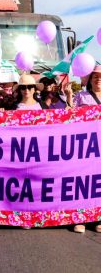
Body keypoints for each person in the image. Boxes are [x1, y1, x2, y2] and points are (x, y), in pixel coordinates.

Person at [73, 65, 101, 234]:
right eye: (95, 76)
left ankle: (98, 218)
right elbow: (70, 118)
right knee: (82, 183)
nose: (99, 79)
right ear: (90, 80)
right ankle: (80, 218)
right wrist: (69, 99)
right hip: (84, 148)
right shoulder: (80, 96)